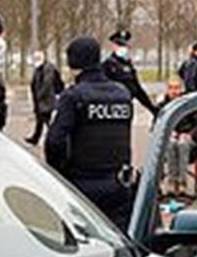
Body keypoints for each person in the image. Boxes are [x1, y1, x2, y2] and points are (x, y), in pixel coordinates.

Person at [45, 36, 135, 229]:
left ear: (72, 63)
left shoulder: (73, 96)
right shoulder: (122, 94)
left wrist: (61, 174)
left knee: (84, 241)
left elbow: (54, 142)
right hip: (119, 184)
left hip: (83, 184)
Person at [102, 28, 157, 120]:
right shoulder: (107, 65)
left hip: (126, 108)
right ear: (113, 46)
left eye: (124, 45)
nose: (123, 48)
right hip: (112, 109)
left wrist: (152, 108)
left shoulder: (129, 65)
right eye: (119, 45)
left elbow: (137, 90)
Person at [24, 50, 64, 147]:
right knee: (40, 120)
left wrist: (39, 95)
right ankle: (35, 138)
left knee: (46, 119)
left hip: (47, 99)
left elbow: (47, 83)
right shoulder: (39, 69)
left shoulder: (48, 68)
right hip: (41, 100)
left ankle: (54, 139)